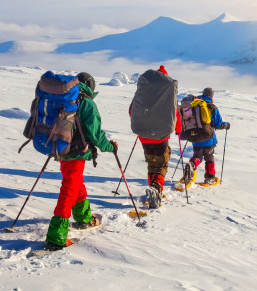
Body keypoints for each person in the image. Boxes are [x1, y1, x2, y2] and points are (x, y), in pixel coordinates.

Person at [45, 72, 117, 250]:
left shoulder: (65, 99)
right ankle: (57, 235)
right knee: (69, 188)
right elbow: (95, 134)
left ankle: (84, 218)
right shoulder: (87, 103)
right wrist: (109, 147)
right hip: (76, 152)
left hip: (61, 148)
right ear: (90, 87)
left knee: (75, 183)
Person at [129, 65, 181, 208]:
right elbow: (175, 115)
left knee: (151, 162)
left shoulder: (143, 93)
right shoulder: (169, 96)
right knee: (161, 164)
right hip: (161, 137)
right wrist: (178, 129)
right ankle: (157, 187)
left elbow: (132, 111)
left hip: (143, 136)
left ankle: (152, 187)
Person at [182, 87, 229, 186]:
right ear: (211, 96)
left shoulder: (195, 104)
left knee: (197, 156)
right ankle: (209, 178)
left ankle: (192, 165)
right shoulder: (212, 107)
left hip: (195, 137)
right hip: (208, 138)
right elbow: (218, 124)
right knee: (209, 158)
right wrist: (226, 125)